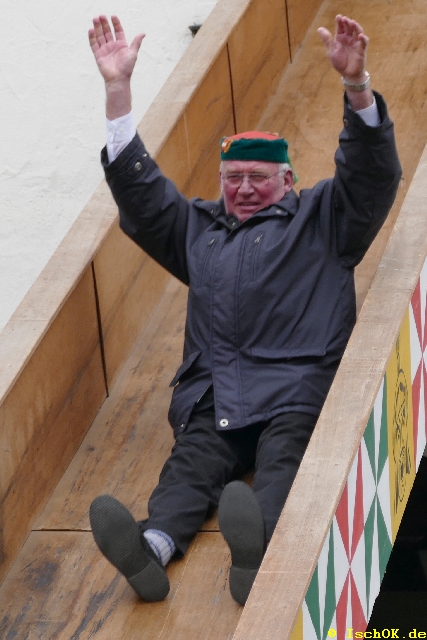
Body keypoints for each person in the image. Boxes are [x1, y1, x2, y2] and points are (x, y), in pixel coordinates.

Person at [88, 14, 401, 606]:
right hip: (217, 394)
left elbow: (371, 176)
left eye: (259, 177)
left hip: (296, 387)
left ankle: (258, 551)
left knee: (285, 464)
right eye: (233, 178)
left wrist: (356, 86)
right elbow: (144, 198)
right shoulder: (200, 230)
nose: (245, 188)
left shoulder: (325, 219)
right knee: (189, 466)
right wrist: (118, 90)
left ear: (288, 179)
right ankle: (151, 549)